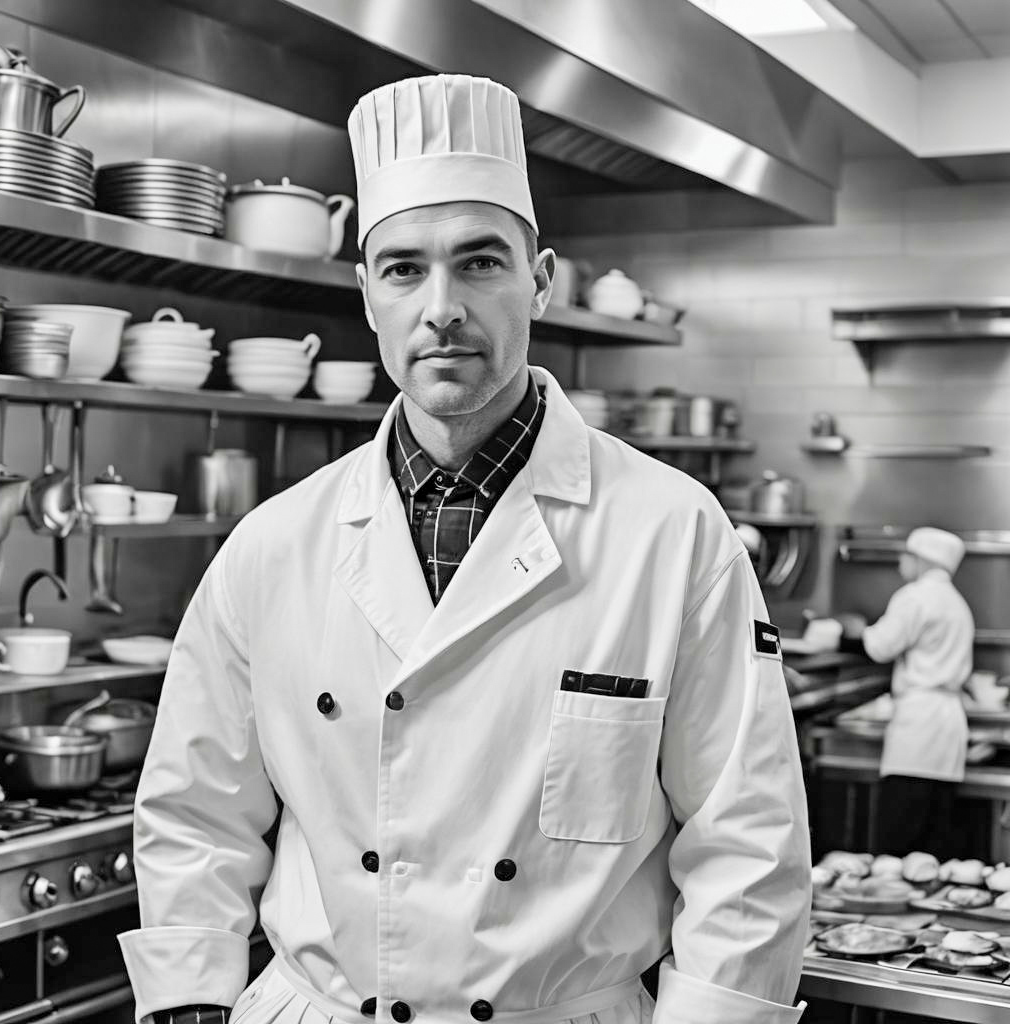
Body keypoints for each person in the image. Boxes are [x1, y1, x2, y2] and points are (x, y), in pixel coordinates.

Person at [119, 74, 811, 1024]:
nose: (440, 306)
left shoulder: (674, 534)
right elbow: (196, 815)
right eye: (403, 268)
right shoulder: (273, 546)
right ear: (366, 296)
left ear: (540, 278)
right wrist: (191, 1004)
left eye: (478, 263)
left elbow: (748, 847)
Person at [845, 528, 975, 858]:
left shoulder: (915, 596)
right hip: (948, 723)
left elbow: (880, 646)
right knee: (933, 840)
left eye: (907, 554)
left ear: (922, 560)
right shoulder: (959, 604)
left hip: (919, 724)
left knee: (900, 836)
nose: (902, 561)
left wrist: (839, 635)